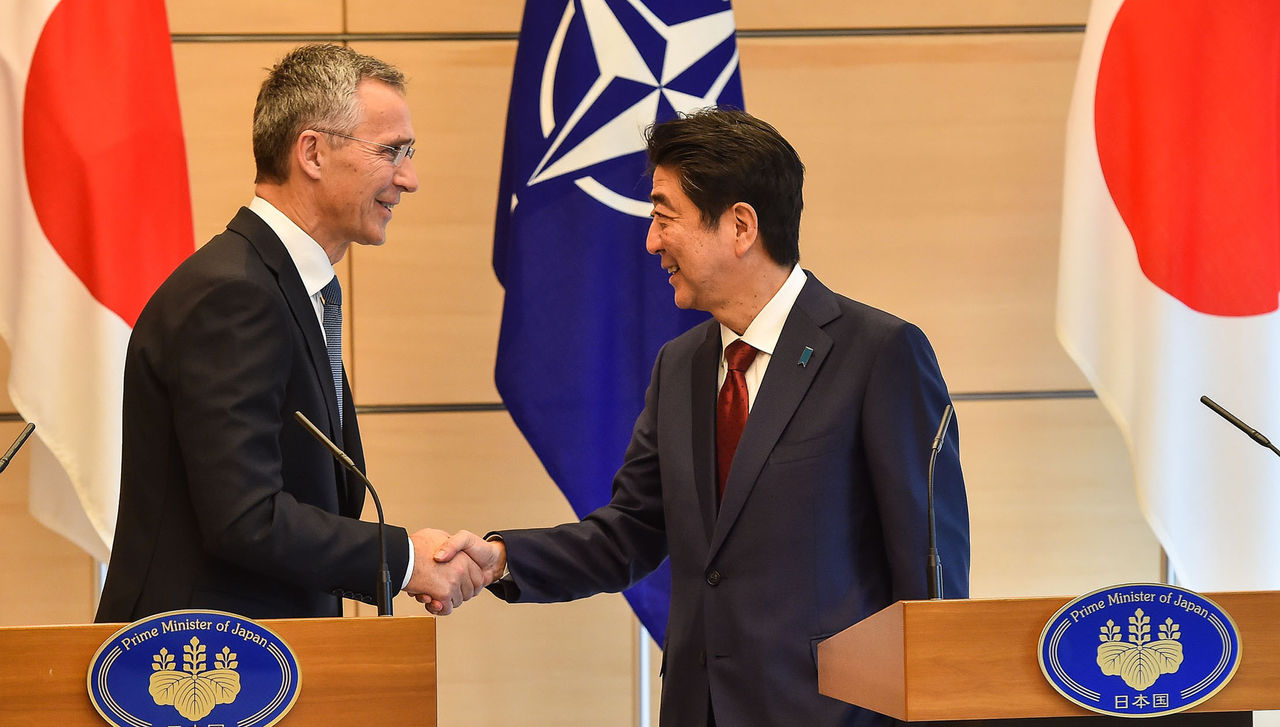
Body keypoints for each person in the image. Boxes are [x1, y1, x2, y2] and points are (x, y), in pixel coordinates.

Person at [433, 108, 970, 726]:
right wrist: (501, 558)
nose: (651, 242)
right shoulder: (680, 365)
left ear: (740, 226)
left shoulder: (879, 354)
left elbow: (928, 571)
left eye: (665, 218)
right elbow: (629, 533)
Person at [96, 44, 481, 623]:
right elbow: (244, 517)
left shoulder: (280, 286)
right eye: (391, 151)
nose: (410, 178)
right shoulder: (234, 295)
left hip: (263, 652)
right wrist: (402, 559)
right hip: (194, 658)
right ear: (313, 153)